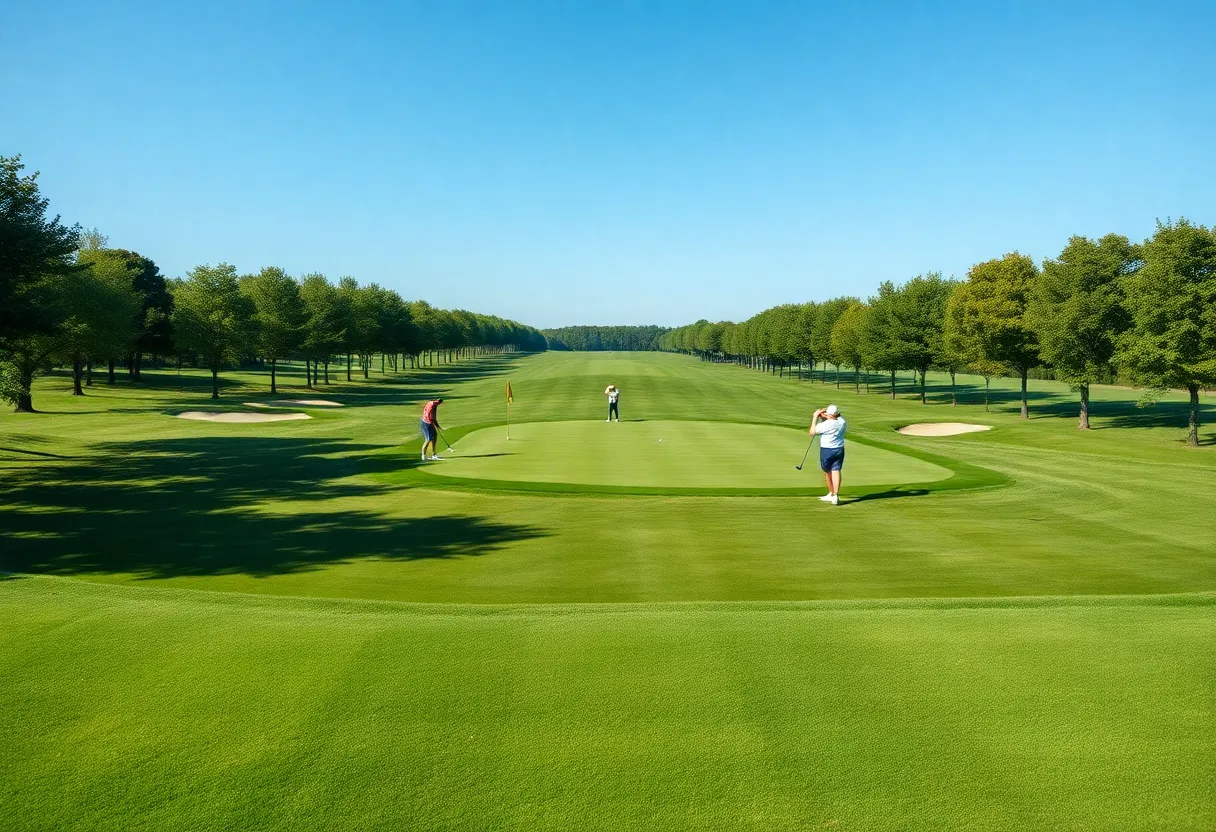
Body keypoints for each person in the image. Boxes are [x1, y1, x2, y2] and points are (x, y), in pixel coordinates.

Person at [810, 404, 846, 505]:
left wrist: (815, 417)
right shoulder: (842, 422)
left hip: (827, 450)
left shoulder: (825, 425)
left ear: (829, 414)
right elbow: (834, 417)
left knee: (827, 471)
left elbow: (812, 432)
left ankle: (831, 493)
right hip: (839, 449)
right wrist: (824, 414)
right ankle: (836, 495)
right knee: (836, 470)